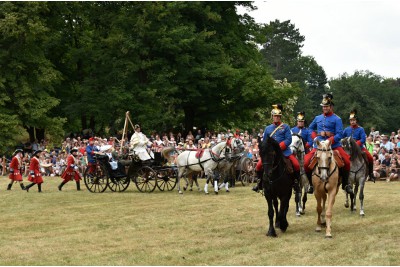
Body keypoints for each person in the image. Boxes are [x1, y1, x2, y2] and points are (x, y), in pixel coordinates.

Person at [304, 93, 353, 194]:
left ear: (331, 106)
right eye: (323, 107)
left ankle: (346, 184)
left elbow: (339, 134)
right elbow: (310, 129)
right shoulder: (318, 118)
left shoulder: (337, 119)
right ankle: (311, 185)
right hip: (319, 146)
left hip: (333, 145)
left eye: (326, 106)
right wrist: (316, 137)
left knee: (347, 162)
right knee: (305, 162)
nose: (325, 108)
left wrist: (329, 140)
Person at [252, 104, 301, 194]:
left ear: (280, 117)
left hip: (284, 152)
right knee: (258, 165)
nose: (277, 118)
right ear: (272, 117)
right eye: (275, 116)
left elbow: (288, 139)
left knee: (296, 164)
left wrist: (280, 146)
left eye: (278, 116)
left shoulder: (285, 127)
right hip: (270, 154)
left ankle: (296, 183)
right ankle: (259, 183)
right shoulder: (268, 128)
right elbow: (265, 141)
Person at [342, 110, 375, 182]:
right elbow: (341, 137)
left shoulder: (361, 129)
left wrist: (356, 144)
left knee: (370, 158)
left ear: (356, 121)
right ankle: (342, 175)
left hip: (359, 148)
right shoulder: (346, 129)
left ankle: (371, 174)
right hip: (348, 149)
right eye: (351, 120)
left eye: (354, 120)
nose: (352, 122)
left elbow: (363, 139)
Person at [291, 111, 314, 193]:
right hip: (294, 151)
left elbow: (311, 142)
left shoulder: (307, 131)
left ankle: (311, 184)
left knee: (309, 164)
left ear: (304, 122)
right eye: (299, 121)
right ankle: (293, 182)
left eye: (302, 121)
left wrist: (304, 146)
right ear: (297, 122)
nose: (300, 123)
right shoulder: (292, 130)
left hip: (305, 151)